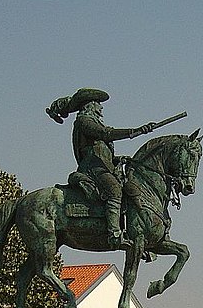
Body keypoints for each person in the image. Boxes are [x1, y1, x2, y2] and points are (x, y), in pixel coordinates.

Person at [47, 89, 155, 249]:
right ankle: (114, 234)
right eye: (98, 104)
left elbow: (103, 152)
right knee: (115, 190)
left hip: (102, 167)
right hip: (92, 169)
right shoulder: (84, 121)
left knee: (130, 188)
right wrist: (135, 131)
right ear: (89, 105)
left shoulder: (93, 122)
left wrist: (118, 159)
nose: (101, 108)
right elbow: (106, 134)